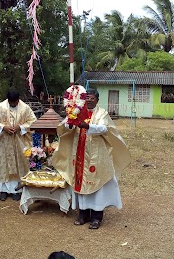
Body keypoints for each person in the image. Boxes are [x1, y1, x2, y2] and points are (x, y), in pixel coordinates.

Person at [52, 88, 131, 229]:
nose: (88, 100)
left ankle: (96, 217)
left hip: (96, 155)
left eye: (91, 98)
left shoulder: (102, 113)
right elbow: (66, 126)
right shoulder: (76, 110)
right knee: (80, 184)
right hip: (79, 153)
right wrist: (69, 123)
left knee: (96, 186)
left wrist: (88, 126)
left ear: (97, 100)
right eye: (86, 97)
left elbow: (104, 128)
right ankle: (83, 214)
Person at [0, 90, 36, 201]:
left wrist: (21, 127)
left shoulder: (25, 108)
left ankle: (17, 190)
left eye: (15, 102)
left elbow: (33, 121)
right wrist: (3, 127)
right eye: (11, 103)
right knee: (4, 165)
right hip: (4, 140)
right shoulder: (0, 107)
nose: (13, 105)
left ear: (18, 100)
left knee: (19, 164)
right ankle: (4, 190)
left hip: (20, 141)